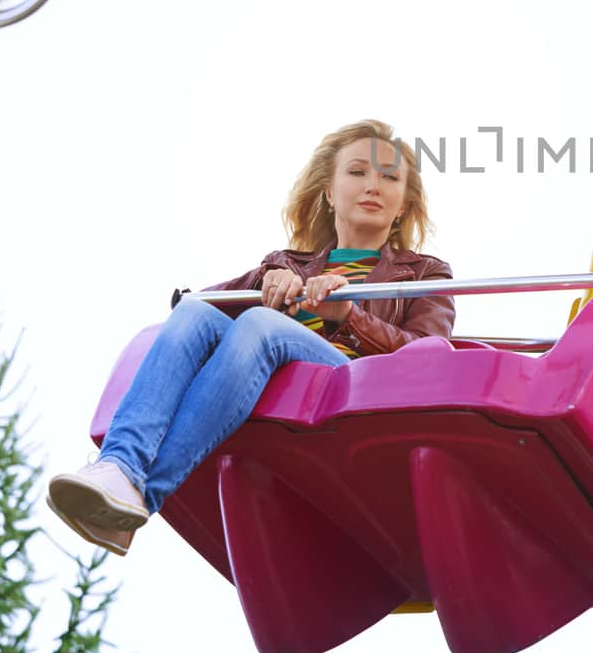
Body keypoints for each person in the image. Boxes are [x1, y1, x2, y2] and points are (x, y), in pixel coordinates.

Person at [47, 120, 454, 556]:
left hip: (351, 388)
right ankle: (119, 466)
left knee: (263, 325)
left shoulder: (425, 273)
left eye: (389, 177)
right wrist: (267, 284)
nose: (373, 184)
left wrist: (348, 317)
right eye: (357, 172)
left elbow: (426, 358)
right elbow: (196, 310)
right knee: (197, 315)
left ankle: (143, 494)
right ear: (329, 192)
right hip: (270, 380)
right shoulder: (285, 263)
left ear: (403, 205)